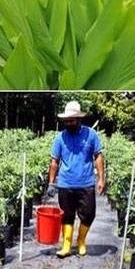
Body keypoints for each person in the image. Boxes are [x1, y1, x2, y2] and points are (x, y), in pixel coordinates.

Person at [47, 100, 105, 258]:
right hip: (65, 183)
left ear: (79, 119)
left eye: (72, 120)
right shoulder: (60, 138)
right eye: (67, 120)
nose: (69, 123)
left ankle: (81, 240)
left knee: (89, 213)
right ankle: (66, 244)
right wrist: (51, 183)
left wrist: (101, 179)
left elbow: (98, 156)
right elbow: (54, 161)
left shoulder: (91, 135)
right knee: (67, 214)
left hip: (86, 183)